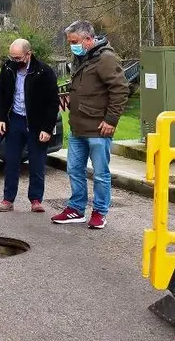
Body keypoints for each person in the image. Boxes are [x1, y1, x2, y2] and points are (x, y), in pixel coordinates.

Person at [52, 20, 129, 229]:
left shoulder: (106, 59)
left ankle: (100, 212)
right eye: (70, 42)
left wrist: (111, 120)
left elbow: (120, 90)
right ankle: (76, 209)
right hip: (78, 127)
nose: (72, 46)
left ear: (88, 39)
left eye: (74, 41)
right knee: (74, 170)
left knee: (100, 174)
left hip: (98, 128)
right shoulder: (81, 57)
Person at [0, 39, 60, 213]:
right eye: (12, 57)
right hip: (15, 120)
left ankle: (36, 199)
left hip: (36, 124)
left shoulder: (44, 72)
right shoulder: (8, 68)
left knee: (37, 163)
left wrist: (47, 128)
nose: (15, 61)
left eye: (18, 58)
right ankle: (8, 199)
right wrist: (0, 118)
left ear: (28, 54)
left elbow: (53, 103)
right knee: (11, 161)